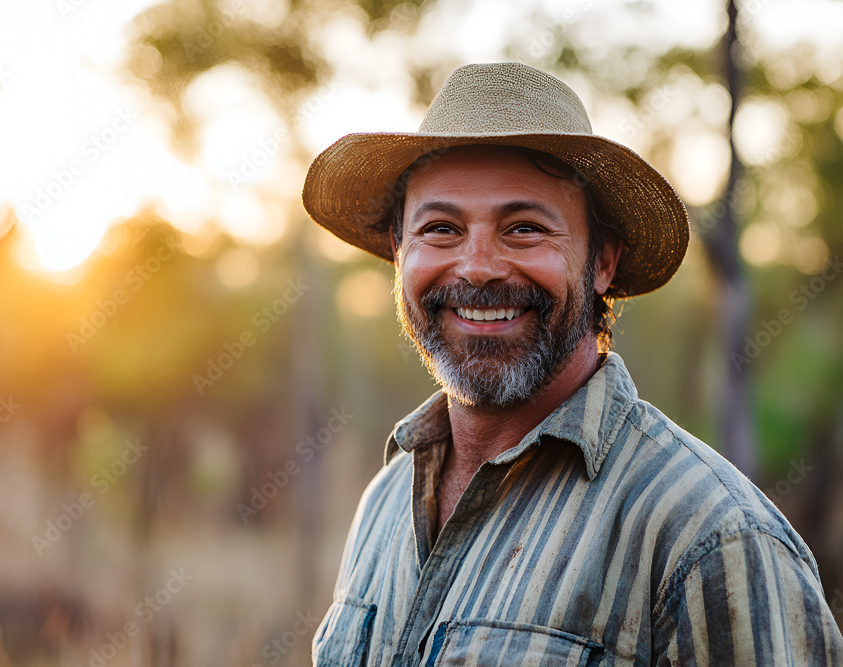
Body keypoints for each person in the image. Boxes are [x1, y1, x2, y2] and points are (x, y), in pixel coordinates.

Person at [301, 62, 843, 666]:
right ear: (400, 255)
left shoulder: (711, 538)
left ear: (602, 263)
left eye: (525, 228)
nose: (477, 267)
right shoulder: (384, 500)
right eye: (442, 228)